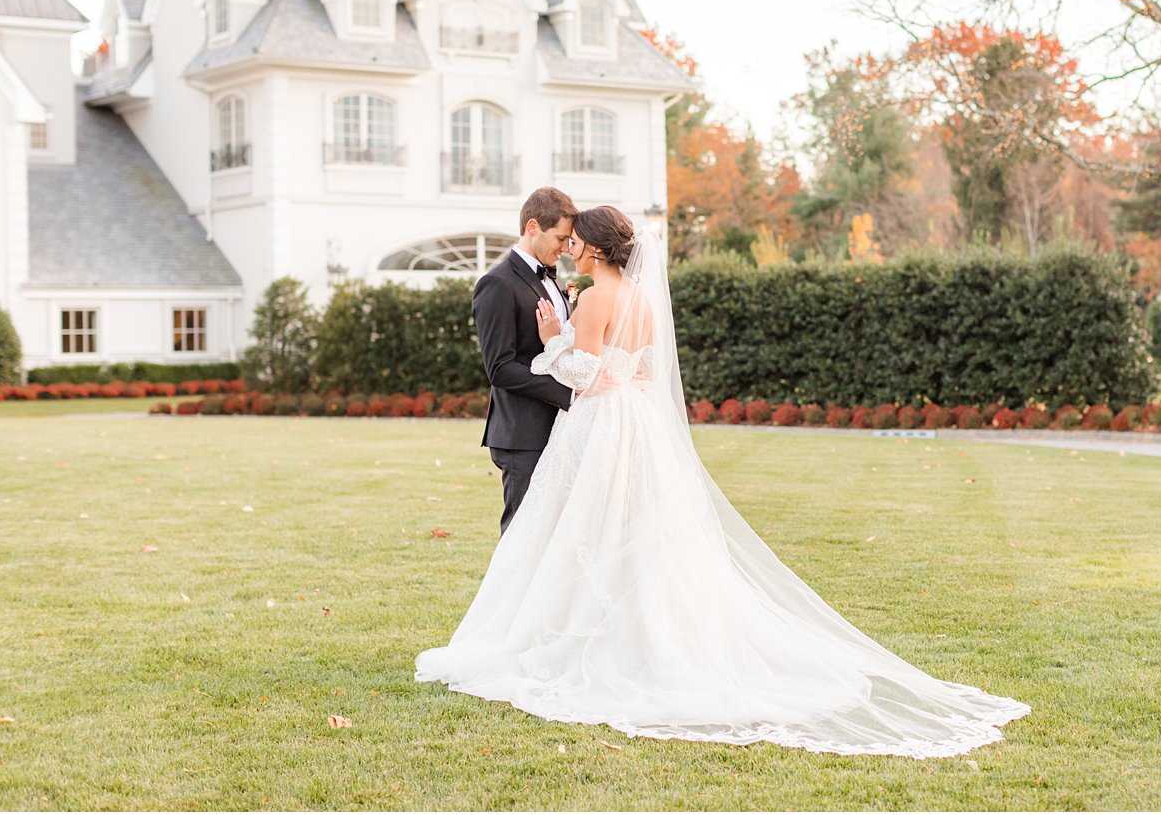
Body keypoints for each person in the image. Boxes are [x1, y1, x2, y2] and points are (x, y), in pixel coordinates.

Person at [418, 205, 1029, 757]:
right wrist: (604, 368)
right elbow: (647, 369)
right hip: (638, 422)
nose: (571, 247)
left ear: (597, 250)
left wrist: (554, 341)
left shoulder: (592, 299)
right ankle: (642, 633)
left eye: (577, 241)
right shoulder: (644, 299)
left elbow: (584, 373)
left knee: (583, 525)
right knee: (637, 529)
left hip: (602, 422)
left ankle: (578, 638)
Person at [471, 187, 578, 534]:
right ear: (533, 227)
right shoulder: (497, 284)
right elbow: (500, 368)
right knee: (523, 534)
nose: (564, 248)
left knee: (554, 535)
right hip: (522, 434)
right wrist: (568, 393)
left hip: (558, 429)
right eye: (560, 238)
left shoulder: (555, 281)